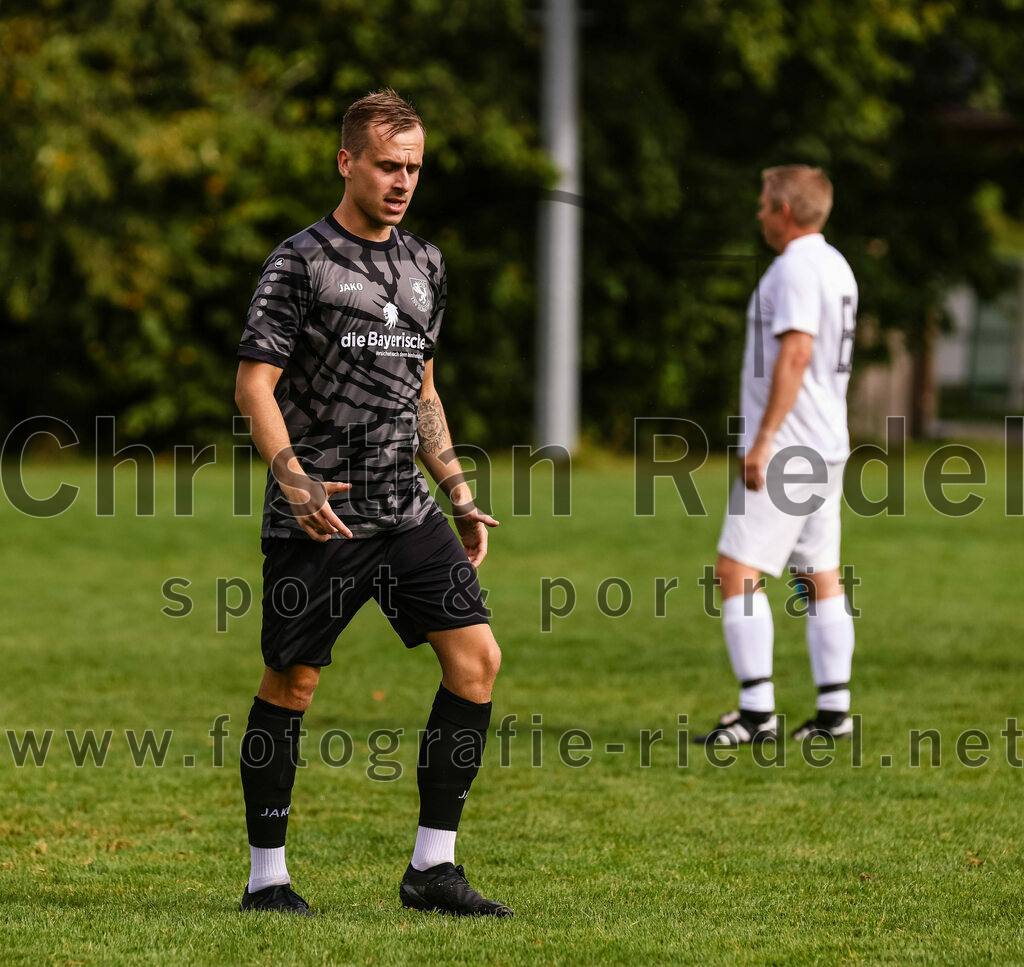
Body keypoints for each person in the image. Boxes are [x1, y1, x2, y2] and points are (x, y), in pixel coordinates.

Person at [233, 90, 512, 917]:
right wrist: (293, 477)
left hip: (408, 508)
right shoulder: (300, 261)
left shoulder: (426, 264)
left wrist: (457, 488)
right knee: (293, 683)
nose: (401, 182)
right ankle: (266, 877)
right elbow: (255, 383)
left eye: (414, 168)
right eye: (388, 165)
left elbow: (423, 390)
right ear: (347, 160)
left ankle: (433, 870)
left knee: (478, 661)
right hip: (324, 509)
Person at [695, 165, 859, 748]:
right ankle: (834, 710)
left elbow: (795, 354)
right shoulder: (836, 264)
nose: (760, 214)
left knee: (736, 571)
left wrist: (762, 439)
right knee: (820, 575)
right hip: (827, 440)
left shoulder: (793, 268)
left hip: (790, 447)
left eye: (765, 205)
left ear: (785, 211)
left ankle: (756, 712)